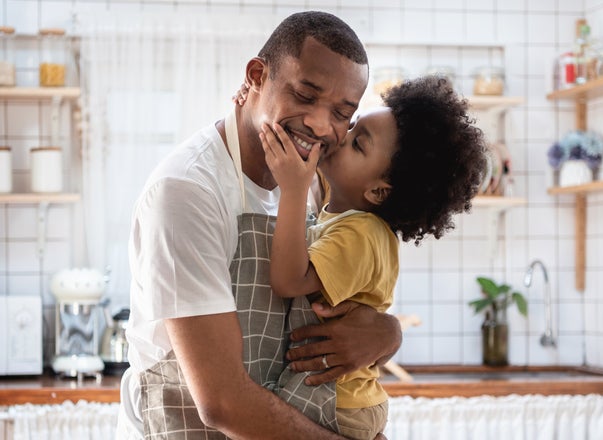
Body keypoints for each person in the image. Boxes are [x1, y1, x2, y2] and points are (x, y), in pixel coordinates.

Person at [117, 12, 401, 439]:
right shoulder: (186, 191)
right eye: (305, 95)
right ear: (256, 75)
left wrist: (388, 334)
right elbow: (223, 403)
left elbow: (353, 297)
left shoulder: (314, 179)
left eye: (343, 113)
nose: (322, 126)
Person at [260, 76, 487, 439]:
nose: (339, 136)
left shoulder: (360, 234)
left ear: (379, 191)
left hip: (338, 404)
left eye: (357, 143)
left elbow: (288, 280)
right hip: (342, 399)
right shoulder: (344, 215)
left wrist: (293, 187)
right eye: (351, 125)